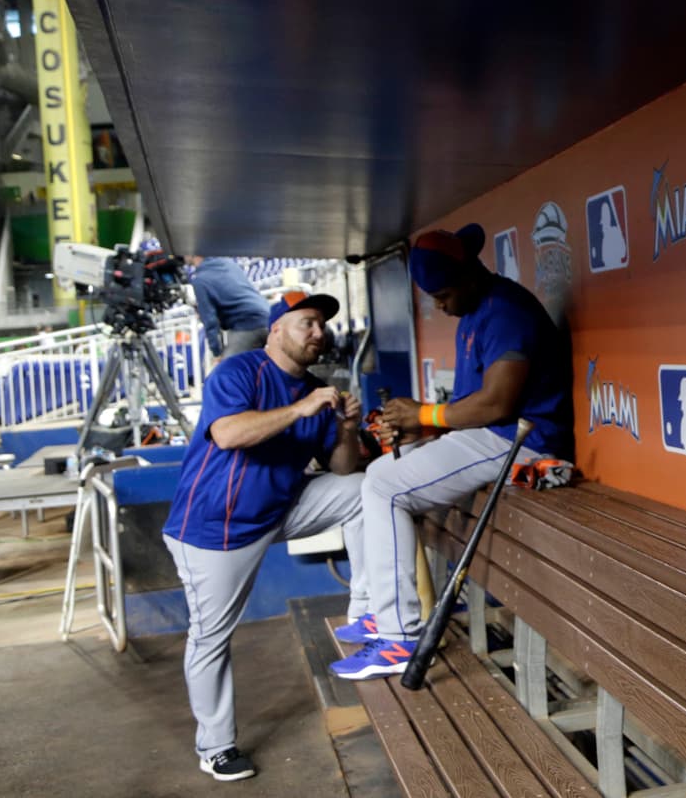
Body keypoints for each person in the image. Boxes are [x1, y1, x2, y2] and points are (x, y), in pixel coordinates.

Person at [329, 223, 573, 680]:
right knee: (380, 472)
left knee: (384, 487)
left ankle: (399, 638)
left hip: (523, 442)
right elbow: (465, 409)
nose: (438, 306)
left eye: (442, 294)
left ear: (469, 274)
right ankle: (379, 614)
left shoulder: (505, 311)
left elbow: (498, 403)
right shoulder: (476, 311)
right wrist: (421, 430)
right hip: (493, 436)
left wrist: (424, 416)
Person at [162, 291, 368, 781]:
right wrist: (300, 410)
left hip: (279, 509)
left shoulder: (320, 392)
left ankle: (367, 611)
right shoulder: (239, 372)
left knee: (365, 488)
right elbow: (230, 434)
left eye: (323, 325)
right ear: (277, 330)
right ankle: (215, 747)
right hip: (216, 529)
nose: (320, 333)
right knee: (211, 636)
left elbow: (341, 470)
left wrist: (347, 430)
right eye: (308, 323)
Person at [188, 256, 271, 362]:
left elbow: (210, 321)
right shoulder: (228, 263)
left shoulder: (200, 280)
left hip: (246, 324)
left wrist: (216, 352)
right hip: (267, 316)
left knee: (227, 369)